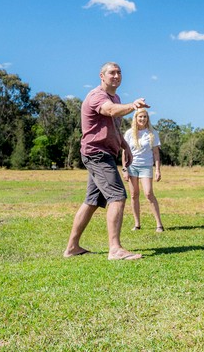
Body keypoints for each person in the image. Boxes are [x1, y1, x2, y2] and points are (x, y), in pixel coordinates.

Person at [64, 62, 149, 260]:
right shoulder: (97, 96)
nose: (117, 76)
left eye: (119, 72)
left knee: (92, 201)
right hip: (97, 153)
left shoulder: (116, 97)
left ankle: (72, 247)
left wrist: (125, 147)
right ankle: (115, 249)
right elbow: (110, 110)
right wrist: (131, 106)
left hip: (107, 153)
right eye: (112, 72)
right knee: (118, 196)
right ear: (102, 76)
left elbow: (113, 127)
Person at [121, 109, 164, 232]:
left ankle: (159, 224)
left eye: (145, 117)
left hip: (146, 166)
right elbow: (124, 152)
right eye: (140, 116)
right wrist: (124, 169)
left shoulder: (152, 133)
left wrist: (157, 170)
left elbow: (156, 153)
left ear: (147, 118)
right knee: (134, 195)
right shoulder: (129, 133)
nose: (142, 119)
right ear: (136, 118)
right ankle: (137, 224)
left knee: (148, 193)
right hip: (132, 166)